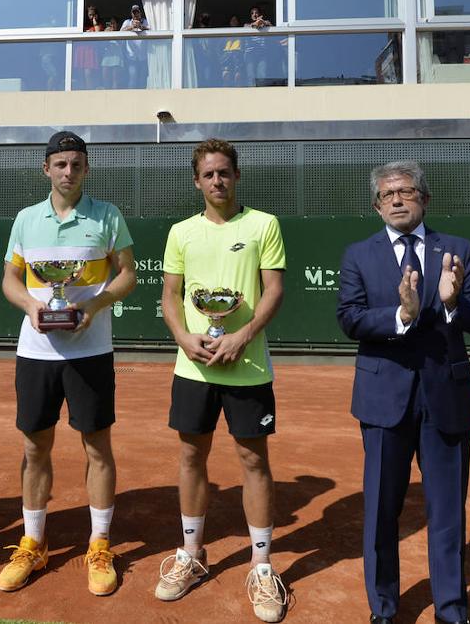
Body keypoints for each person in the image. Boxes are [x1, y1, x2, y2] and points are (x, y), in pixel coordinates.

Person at [335, 160, 470, 624]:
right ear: (376, 205)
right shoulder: (358, 255)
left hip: (446, 398)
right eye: (388, 195)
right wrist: (401, 316)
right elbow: (350, 317)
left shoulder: (459, 249)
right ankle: (384, 609)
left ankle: (451, 610)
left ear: (425, 199)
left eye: (406, 191)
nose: (398, 200)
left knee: (447, 511)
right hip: (383, 399)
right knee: (382, 511)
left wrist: (453, 304)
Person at [0, 131, 137, 596]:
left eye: (76, 165)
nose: (68, 172)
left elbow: (128, 274)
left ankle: (99, 544)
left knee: (97, 446)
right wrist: (32, 307)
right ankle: (33, 541)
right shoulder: (24, 220)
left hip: (90, 352)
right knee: (35, 448)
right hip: (35, 353)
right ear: (46, 169)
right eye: (60, 165)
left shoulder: (108, 215)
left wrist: (94, 306)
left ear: (86, 169)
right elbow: (11, 281)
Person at [155, 138, 289, 623]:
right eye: (209, 174)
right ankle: (193, 554)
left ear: (236, 176)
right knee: (192, 454)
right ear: (197, 181)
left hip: (248, 366)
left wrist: (244, 335)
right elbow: (170, 295)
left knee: (253, 459)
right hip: (193, 364)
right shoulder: (180, 232)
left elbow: (273, 288)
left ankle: (260, 564)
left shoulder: (263, 225)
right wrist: (184, 337)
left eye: (224, 173)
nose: (217, 181)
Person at [119, 5, 150, 88]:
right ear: (131, 14)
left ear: (141, 13)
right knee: (132, 79)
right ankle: (131, 99)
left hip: (143, 57)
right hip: (131, 57)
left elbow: (151, 29)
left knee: (143, 79)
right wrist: (132, 27)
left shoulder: (146, 21)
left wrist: (141, 27)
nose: (136, 15)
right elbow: (120, 32)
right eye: (134, 13)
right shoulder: (127, 22)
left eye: (137, 12)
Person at [74, 6, 104, 90]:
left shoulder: (98, 25)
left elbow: (98, 33)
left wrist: (95, 23)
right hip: (81, 50)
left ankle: (88, 90)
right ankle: (81, 89)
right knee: (80, 73)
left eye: (94, 15)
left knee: (88, 73)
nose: (92, 17)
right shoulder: (81, 26)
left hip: (90, 51)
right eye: (90, 15)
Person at [243, 6, 273, 87]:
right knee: (251, 76)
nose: (254, 14)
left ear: (260, 14)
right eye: (252, 13)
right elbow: (247, 28)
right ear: (250, 16)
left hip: (262, 54)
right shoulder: (246, 25)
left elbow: (271, 26)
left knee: (262, 75)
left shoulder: (264, 23)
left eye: (256, 13)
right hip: (250, 54)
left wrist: (262, 22)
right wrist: (255, 24)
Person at [100, 17, 125, 89]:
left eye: (114, 23)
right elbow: (101, 46)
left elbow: (122, 45)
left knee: (115, 79)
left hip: (117, 57)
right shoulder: (106, 32)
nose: (112, 25)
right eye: (111, 23)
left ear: (117, 24)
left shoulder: (121, 33)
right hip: (107, 57)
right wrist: (105, 34)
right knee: (105, 78)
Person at [222, 15, 244, 86]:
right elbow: (219, 48)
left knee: (237, 76)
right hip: (226, 57)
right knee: (226, 75)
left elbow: (243, 47)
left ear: (238, 22)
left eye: (235, 20)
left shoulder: (242, 33)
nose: (233, 21)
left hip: (237, 57)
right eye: (232, 20)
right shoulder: (225, 34)